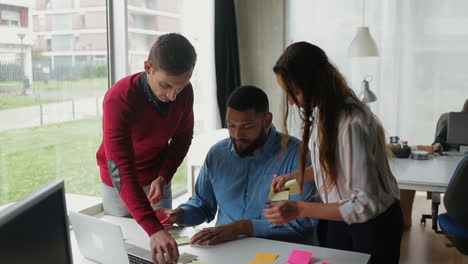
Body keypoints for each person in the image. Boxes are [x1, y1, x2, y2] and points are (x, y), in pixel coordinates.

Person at [263, 42, 403, 263]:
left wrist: (299, 209)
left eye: (294, 92)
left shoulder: (351, 123)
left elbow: (363, 205)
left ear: (314, 84)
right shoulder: (323, 114)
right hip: (338, 217)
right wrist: (294, 177)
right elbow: (329, 166)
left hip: (372, 225)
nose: (290, 100)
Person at [156, 86, 319, 246]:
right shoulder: (217, 154)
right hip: (225, 251)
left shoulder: (295, 156)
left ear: (267, 121)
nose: (237, 135)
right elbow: (203, 204)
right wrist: (179, 215)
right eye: (231, 125)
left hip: (280, 253)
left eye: (246, 127)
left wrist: (241, 227)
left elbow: (302, 223)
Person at [96, 33, 196, 264]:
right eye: (166, 85)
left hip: (156, 180)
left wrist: (164, 176)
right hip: (118, 183)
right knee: (123, 247)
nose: (172, 96)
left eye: (180, 87)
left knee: (162, 250)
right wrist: (152, 229)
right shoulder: (119, 99)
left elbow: (183, 138)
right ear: (148, 67)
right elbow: (120, 169)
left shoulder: (185, 92)